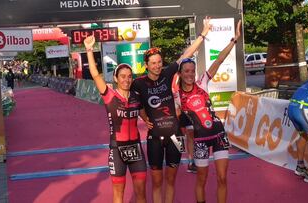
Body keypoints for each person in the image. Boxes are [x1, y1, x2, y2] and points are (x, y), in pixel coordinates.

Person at [131, 16, 212, 203]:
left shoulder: (167, 74)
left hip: (176, 136)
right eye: (153, 63)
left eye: (159, 62)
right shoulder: (139, 83)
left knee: (171, 180)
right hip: (154, 138)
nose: (157, 66)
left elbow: (186, 54)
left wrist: (202, 35)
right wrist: (144, 117)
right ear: (146, 65)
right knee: (157, 181)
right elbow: (137, 105)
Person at [176, 20, 241, 203]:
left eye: (192, 71)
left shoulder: (202, 82)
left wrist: (234, 40)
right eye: (186, 71)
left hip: (219, 134)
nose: (190, 74)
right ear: (180, 74)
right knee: (202, 179)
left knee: (222, 178)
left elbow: (219, 59)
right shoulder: (177, 94)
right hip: (200, 141)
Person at [84, 36, 147, 203]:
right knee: (118, 194)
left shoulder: (136, 96)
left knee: (141, 192)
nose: (126, 79)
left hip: (136, 149)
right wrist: (89, 49)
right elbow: (95, 73)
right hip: (117, 150)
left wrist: (151, 120)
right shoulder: (109, 95)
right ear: (116, 78)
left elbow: (143, 113)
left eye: (129, 76)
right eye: (123, 76)